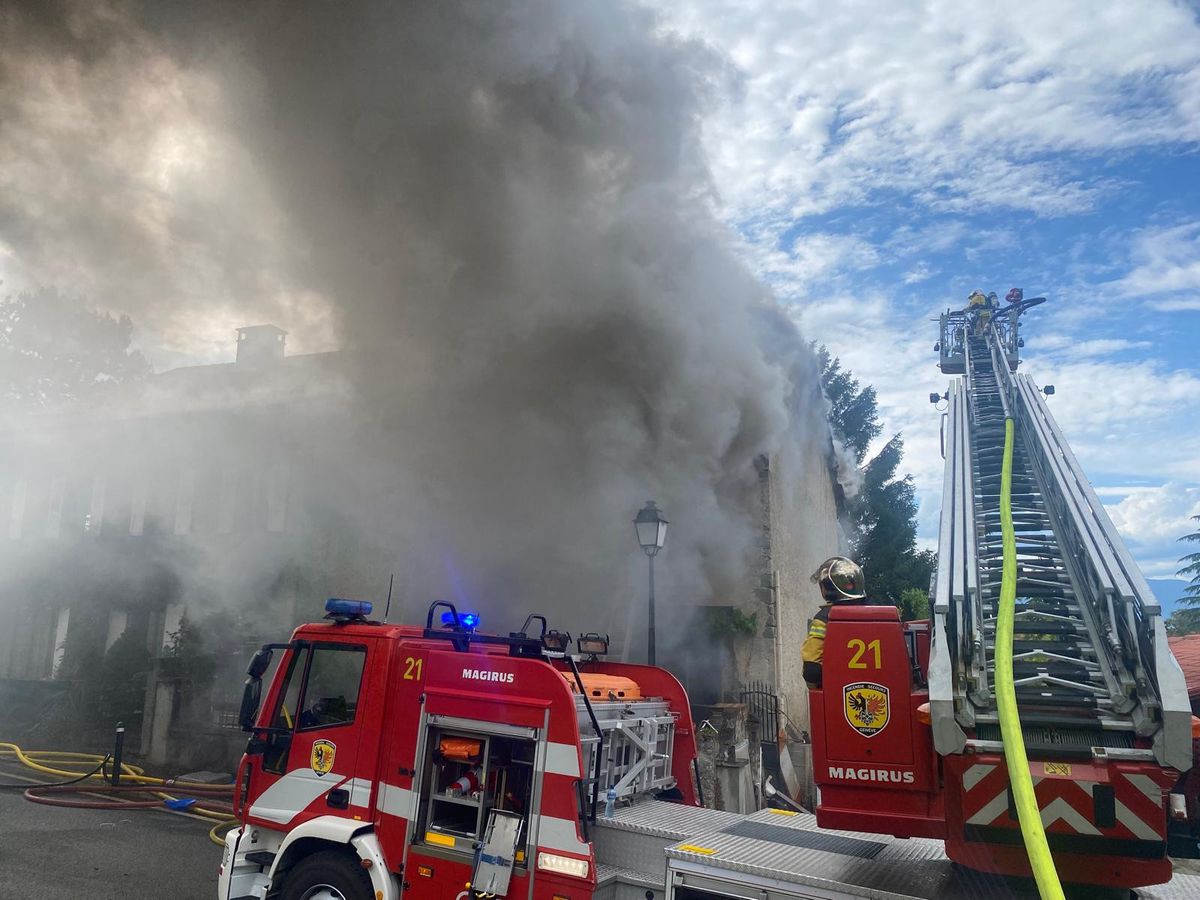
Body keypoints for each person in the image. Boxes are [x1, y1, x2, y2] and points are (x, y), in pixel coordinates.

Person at [802, 556, 867, 688]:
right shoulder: (882, 616)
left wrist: (818, 690)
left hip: (838, 695)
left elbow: (811, 670)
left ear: (828, 588)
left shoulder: (824, 619)